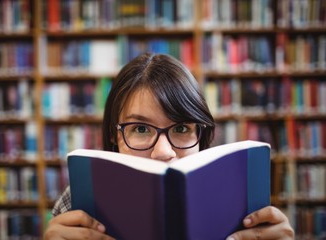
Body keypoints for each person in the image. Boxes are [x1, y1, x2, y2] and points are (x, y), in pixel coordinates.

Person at [44, 53, 294, 240]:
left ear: (201, 134)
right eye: (140, 129)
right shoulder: (80, 201)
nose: (163, 152)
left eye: (181, 128)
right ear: (114, 135)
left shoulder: (241, 202)